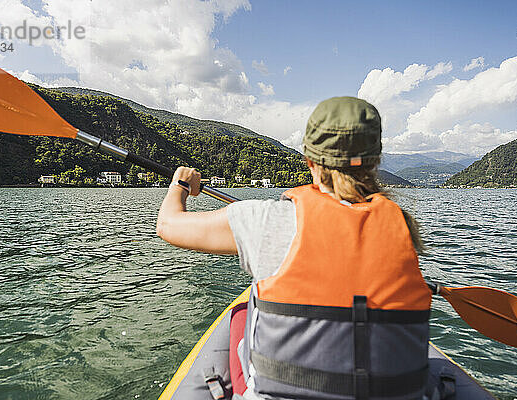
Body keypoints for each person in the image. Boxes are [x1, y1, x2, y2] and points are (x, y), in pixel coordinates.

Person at [157, 97, 432, 400]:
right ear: (376, 161)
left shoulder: (268, 220)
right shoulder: (404, 227)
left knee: (240, 314)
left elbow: (168, 225)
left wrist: (181, 184)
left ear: (310, 160)